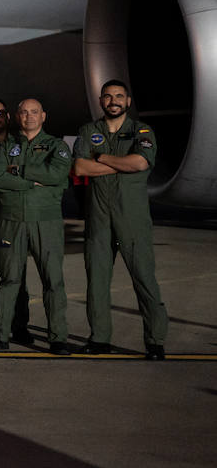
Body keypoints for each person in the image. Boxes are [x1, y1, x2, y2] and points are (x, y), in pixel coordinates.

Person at [72, 80, 168, 360]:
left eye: (119, 96)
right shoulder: (89, 130)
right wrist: (119, 163)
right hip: (98, 219)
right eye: (107, 96)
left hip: (133, 219)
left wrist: (99, 157)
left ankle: (155, 341)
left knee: (145, 280)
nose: (113, 101)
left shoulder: (141, 130)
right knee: (97, 282)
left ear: (127, 101)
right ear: (101, 101)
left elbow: (139, 163)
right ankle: (99, 338)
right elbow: (80, 166)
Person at [0, 98, 72, 355]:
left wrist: (19, 170)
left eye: (34, 112)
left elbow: (56, 175)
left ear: (43, 116)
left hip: (46, 221)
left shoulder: (57, 146)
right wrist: (33, 181)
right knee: (9, 279)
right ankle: (0, 335)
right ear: (17, 116)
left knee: (53, 280)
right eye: (24, 112)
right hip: (11, 220)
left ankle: (58, 338)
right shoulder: (4, 146)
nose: (29, 116)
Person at [0, 97, 30, 342]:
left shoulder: (20, 143)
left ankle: (20, 325)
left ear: (8, 117)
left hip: (11, 213)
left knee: (15, 273)